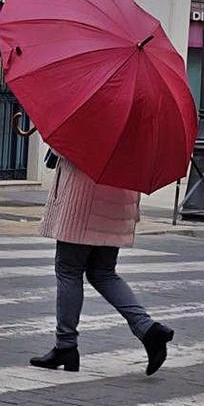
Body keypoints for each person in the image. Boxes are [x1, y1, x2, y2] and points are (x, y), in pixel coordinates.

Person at [30, 153, 174, 376]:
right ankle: (148, 329)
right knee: (103, 272)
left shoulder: (88, 119)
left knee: (68, 270)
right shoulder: (137, 124)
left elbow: (66, 146)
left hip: (82, 199)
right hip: (117, 203)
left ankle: (65, 345)